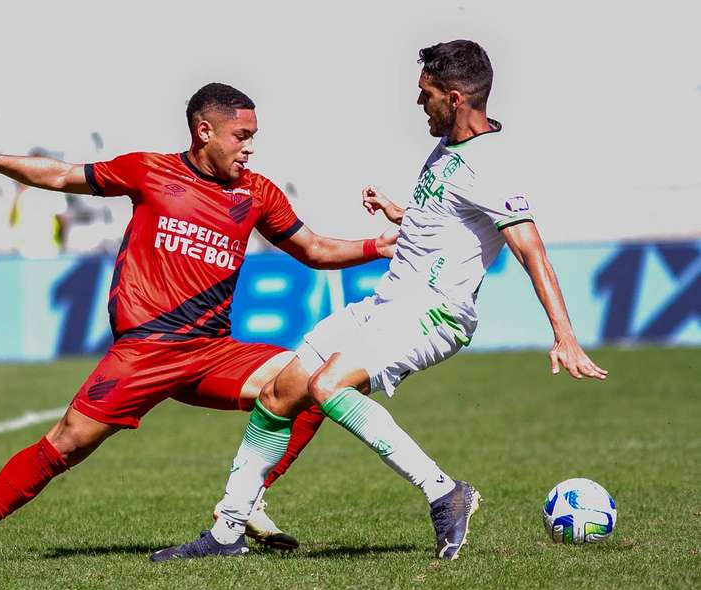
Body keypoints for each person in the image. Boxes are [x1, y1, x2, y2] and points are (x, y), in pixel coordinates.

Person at [152, 40, 608, 563]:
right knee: (281, 394)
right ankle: (226, 534)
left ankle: (443, 492)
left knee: (326, 386)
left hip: (435, 314)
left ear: (455, 98)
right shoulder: (450, 146)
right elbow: (449, 217)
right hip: (387, 304)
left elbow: (532, 250)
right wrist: (401, 215)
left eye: (427, 94)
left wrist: (565, 337)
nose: (420, 104)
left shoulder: (492, 164)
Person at [0, 83, 395, 566]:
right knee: (64, 445)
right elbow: (60, 175)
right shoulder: (150, 171)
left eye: (253, 136)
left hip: (212, 352)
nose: (249, 147)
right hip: (144, 352)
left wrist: (379, 245)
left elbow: (315, 250)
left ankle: (248, 499)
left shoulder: (257, 192)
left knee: (317, 382)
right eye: (240, 135)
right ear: (204, 131)